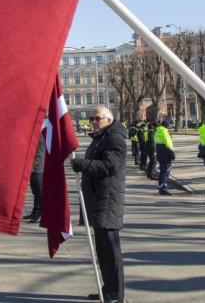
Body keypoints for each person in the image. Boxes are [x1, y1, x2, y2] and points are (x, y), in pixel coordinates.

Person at [71, 106, 127, 303]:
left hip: (108, 200)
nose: (93, 121)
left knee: (111, 253)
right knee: (102, 251)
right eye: (92, 118)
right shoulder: (100, 138)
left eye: (97, 118)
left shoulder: (114, 139)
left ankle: (116, 295)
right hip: (98, 200)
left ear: (109, 120)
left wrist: (83, 165)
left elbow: (110, 166)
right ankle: (107, 290)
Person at [24, 132, 45, 222]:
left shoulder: (39, 136)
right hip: (34, 169)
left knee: (39, 192)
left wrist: (32, 167)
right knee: (35, 192)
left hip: (38, 169)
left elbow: (39, 155)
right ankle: (35, 211)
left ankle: (39, 213)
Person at [154, 118, 175, 195]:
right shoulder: (165, 133)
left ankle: (161, 186)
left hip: (160, 154)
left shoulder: (158, 132)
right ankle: (163, 188)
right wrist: (173, 154)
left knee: (162, 171)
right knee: (165, 171)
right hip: (166, 154)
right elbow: (169, 144)